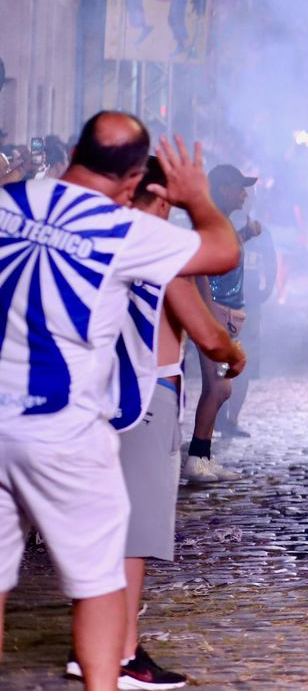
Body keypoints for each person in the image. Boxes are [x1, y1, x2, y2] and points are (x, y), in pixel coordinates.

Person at [0, 113, 238, 691]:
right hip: (66, 429)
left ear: (76, 151)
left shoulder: (7, 202)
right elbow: (222, 250)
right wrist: (197, 197)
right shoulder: (121, 230)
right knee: (100, 584)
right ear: (133, 180)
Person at [70, 158, 247, 689]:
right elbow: (204, 327)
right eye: (168, 201)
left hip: (100, 395)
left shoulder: (93, 243)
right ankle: (123, 654)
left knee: (103, 528)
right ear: (160, 200)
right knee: (135, 534)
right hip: (147, 394)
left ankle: (91, 647)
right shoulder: (155, 248)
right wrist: (231, 353)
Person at [184, 163, 258, 480]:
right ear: (224, 190)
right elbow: (200, 268)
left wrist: (246, 236)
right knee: (219, 387)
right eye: (239, 188)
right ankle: (196, 458)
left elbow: (223, 254)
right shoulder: (210, 222)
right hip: (215, 312)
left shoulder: (221, 222)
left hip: (224, 312)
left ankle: (203, 455)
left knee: (218, 387)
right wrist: (211, 314)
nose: (244, 194)